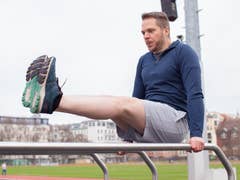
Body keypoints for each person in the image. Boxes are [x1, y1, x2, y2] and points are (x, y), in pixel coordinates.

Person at [22, 12, 204, 152]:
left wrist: (196, 134)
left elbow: (195, 94)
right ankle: (52, 102)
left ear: (166, 30)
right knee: (111, 102)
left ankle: (54, 98)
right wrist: (127, 138)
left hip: (174, 123)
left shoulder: (184, 53)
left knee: (119, 103)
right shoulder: (144, 60)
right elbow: (137, 99)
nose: (146, 36)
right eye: (142, 33)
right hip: (147, 122)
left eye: (151, 31)